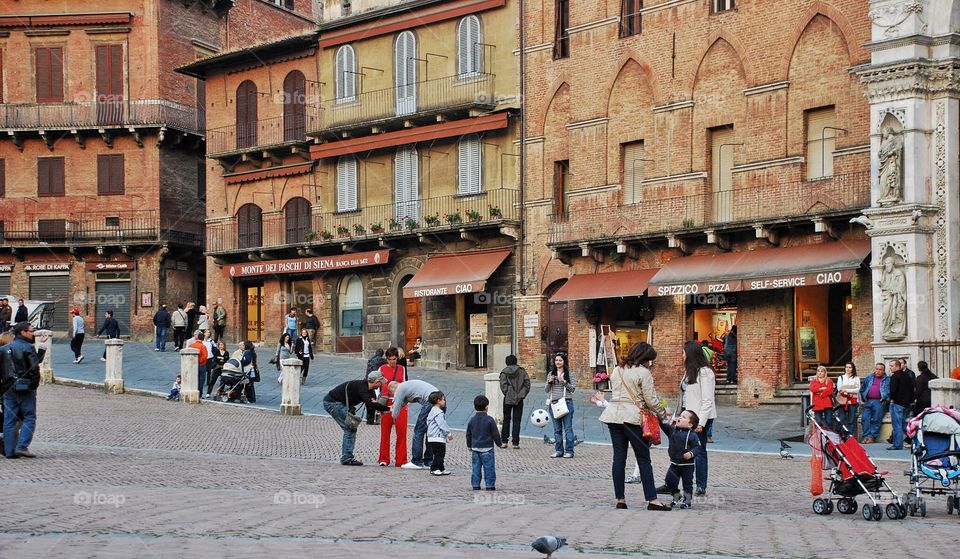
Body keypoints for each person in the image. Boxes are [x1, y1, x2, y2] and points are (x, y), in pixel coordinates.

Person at [591, 341, 671, 510]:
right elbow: (650, 399)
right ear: (644, 358)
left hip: (613, 416)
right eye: (649, 360)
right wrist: (663, 414)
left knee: (619, 458)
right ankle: (652, 500)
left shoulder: (617, 370)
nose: (650, 363)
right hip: (632, 417)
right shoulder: (644, 372)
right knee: (643, 458)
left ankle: (620, 499)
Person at [322, 372, 390, 466]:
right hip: (333, 403)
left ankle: (347, 456)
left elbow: (371, 406)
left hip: (340, 403)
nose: (381, 384)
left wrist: (373, 416)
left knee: (351, 429)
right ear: (375, 382)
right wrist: (388, 409)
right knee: (349, 429)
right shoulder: (363, 388)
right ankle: (347, 458)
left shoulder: (369, 389)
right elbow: (371, 404)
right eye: (380, 382)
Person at [3, 322, 47, 458]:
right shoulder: (27, 347)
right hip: (25, 387)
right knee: (29, 416)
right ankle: (22, 446)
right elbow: (34, 368)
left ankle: (9, 451)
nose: (32, 333)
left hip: (8, 389)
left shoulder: (4, 349)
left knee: (9, 420)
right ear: (23, 332)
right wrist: (34, 385)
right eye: (31, 331)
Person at [679, 340, 716, 496]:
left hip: (701, 417)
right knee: (684, 449)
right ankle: (684, 482)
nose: (682, 355)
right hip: (687, 415)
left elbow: (708, 400)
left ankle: (701, 484)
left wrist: (701, 422)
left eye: (683, 352)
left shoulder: (705, 373)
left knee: (699, 451)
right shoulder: (689, 372)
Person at [393, 378, 440, 470]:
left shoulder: (400, 388)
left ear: (394, 388)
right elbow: (403, 403)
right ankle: (428, 461)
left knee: (419, 431)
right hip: (441, 400)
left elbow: (396, 409)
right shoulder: (408, 386)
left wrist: (394, 417)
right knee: (430, 432)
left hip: (430, 401)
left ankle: (417, 461)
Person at [661, 409, 703, 509]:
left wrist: (691, 453)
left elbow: (698, 447)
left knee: (687, 484)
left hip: (687, 466)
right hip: (674, 464)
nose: (680, 417)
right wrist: (660, 416)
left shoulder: (692, 435)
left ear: (690, 425)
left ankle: (687, 501)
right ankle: (676, 495)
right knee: (669, 480)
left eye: (684, 417)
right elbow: (663, 425)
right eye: (680, 416)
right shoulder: (672, 430)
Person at [378, 347, 409, 467]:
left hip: (400, 403)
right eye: (390, 359)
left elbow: (406, 384)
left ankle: (401, 460)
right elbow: (377, 386)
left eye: (394, 359)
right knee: (385, 433)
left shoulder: (402, 369)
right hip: (386, 403)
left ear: (397, 358)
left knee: (401, 433)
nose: (392, 362)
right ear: (386, 359)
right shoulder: (381, 369)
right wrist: (379, 402)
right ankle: (383, 458)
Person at [466, 395, 501, 490]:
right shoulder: (490, 419)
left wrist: (469, 445)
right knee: (489, 468)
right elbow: (495, 434)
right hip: (487, 448)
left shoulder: (472, 420)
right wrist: (499, 443)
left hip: (475, 448)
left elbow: (468, 434)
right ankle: (490, 485)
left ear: (474, 407)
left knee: (476, 468)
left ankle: (475, 485)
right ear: (486, 407)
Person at [546, 353, 576, 458]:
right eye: (556, 360)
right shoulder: (551, 374)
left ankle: (569, 451)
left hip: (566, 402)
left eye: (560, 360)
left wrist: (564, 382)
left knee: (568, 428)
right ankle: (559, 450)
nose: (558, 362)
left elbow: (572, 389)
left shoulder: (569, 374)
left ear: (564, 362)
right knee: (557, 429)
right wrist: (549, 382)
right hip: (554, 404)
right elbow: (546, 390)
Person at [499, 354, 530, 449]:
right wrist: (521, 394)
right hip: (519, 398)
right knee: (517, 420)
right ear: (516, 361)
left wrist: (507, 393)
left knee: (506, 419)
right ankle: (515, 443)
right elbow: (527, 384)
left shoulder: (504, 372)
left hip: (508, 398)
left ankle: (504, 441)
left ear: (507, 362)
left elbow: (502, 385)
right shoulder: (522, 371)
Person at [859, 363, 890, 444]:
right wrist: (864, 398)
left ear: (883, 371)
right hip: (868, 401)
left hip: (879, 402)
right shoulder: (869, 377)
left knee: (877, 419)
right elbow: (862, 389)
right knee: (865, 419)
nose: (878, 371)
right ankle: (866, 436)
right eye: (876, 369)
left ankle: (872, 437)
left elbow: (891, 391)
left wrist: (886, 400)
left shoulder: (887, 379)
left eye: (880, 369)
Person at [888, 358, 913, 451]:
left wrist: (892, 400)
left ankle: (897, 445)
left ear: (897, 366)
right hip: (906, 404)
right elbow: (912, 390)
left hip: (897, 403)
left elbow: (893, 390)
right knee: (903, 424)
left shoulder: (894, 376)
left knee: (897, 425)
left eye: (892, 366)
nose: (890, 368)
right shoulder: (908, 376)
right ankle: (916, 439)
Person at [426, 390, 453, 475]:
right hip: (437, 437)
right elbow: (442, 424)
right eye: (443, 399)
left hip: (432, 437)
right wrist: (448, 433)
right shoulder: (438, 412)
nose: (444, 401)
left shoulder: (432, 410)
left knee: (439, 453)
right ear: (438, 401)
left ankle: (441, 468)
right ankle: (434, 468)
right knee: (440, 454)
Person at [835, 362, 861, 436]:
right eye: (846, 367)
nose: (848, 369)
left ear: (853, 369)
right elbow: (840, 389)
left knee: (851, 420)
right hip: (843, 401)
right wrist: (851, 388)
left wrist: (846, 389)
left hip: (853, 402)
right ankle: (840, 434)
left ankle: (850, 436)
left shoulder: (856, 378)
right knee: (841, 418)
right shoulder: (841, 378)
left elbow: (857, 389)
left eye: (850, 367)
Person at [365, 348, 387, 425]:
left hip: (366, 380)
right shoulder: (380, 360)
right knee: (373, 399)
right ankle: (371, 420)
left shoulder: (370, 359)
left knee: (368, 400)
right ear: (382, 354)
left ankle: (369, 419)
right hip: (374, 382)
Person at [810, 365, 835, 431]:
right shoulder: (814, 381)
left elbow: (830, 390)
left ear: (825, 372)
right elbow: (812, 389)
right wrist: (822, 388)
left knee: (829, 422)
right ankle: (820, 436)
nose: (820, 373)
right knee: (818, 422)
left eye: (822, 371)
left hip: (827, 403)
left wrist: (820, 394)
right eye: (818, 371)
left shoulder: (829, 381)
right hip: (817, 404)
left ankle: (829, 436)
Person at [188, 331, 209, 398]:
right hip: (201, 365)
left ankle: (192, 392)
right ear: (203, 339)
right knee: (201, 380)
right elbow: (205, 356)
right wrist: (199, 361)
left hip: (193, 365)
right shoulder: (203, 346)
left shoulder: (191, 345)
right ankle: (199, 394)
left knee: (193, 379)